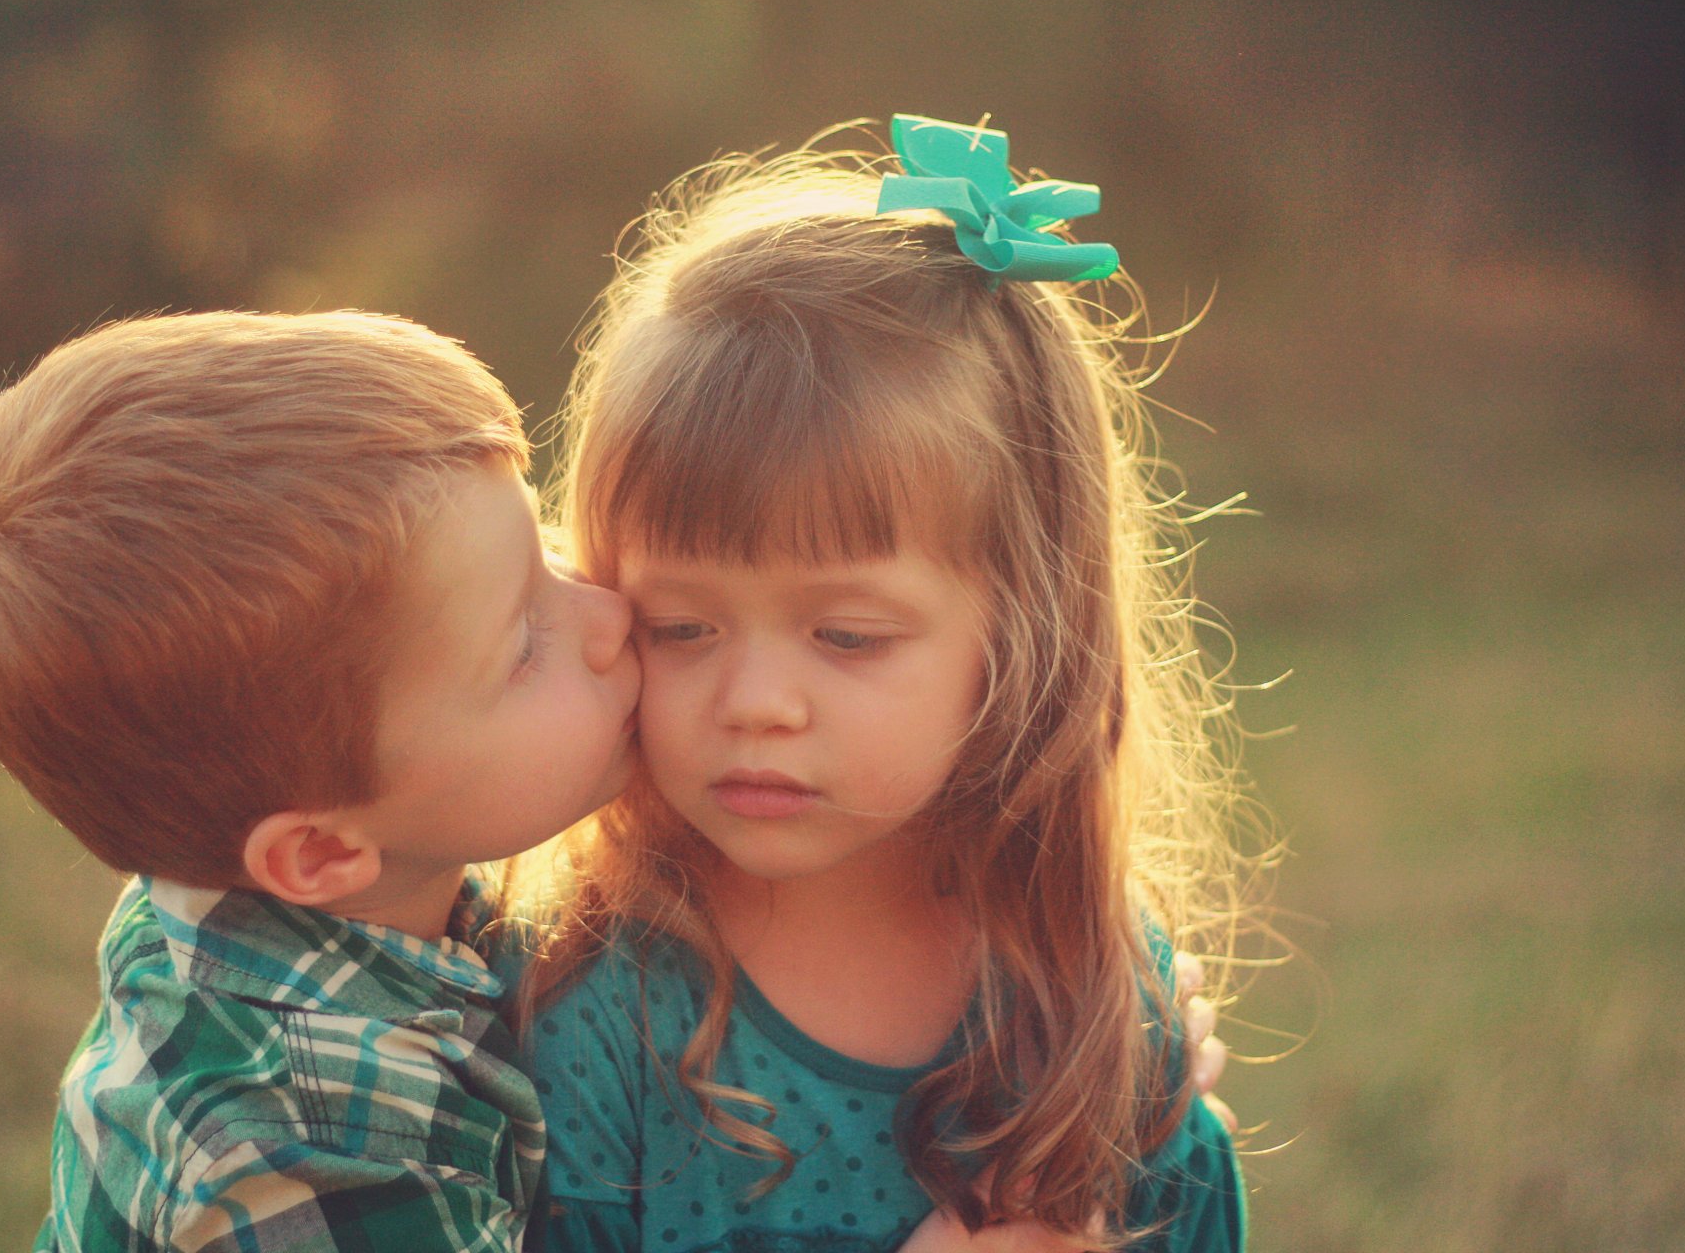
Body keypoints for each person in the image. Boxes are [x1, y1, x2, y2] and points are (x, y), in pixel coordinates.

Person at [510, 115, 1256, 1251]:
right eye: (682, 624)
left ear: (1024, 638)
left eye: (848, 635)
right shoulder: (588, 1004)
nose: (756, 699)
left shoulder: (1091, 987)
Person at [0, 310, 641, 1252]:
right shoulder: (305, 1149)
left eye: (543, 545)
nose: (610, 612)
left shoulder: (253, 886)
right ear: (322, 850)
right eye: (524, 644)